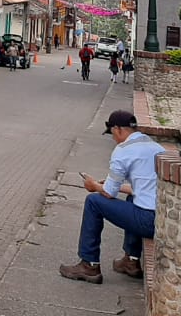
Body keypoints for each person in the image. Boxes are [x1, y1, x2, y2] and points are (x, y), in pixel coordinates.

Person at [59, 110, 164, 284]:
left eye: (112, 133)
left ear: (117, 129)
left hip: (148, 220)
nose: (113, 138)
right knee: (132, 199)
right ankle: (131, 261)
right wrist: (111, 185)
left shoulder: (123, 151)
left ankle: (89, 264)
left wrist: (94, 186)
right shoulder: (155, 146)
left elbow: (108, 193)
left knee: (94, 202)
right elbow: (142, 188)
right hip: (162, 217)